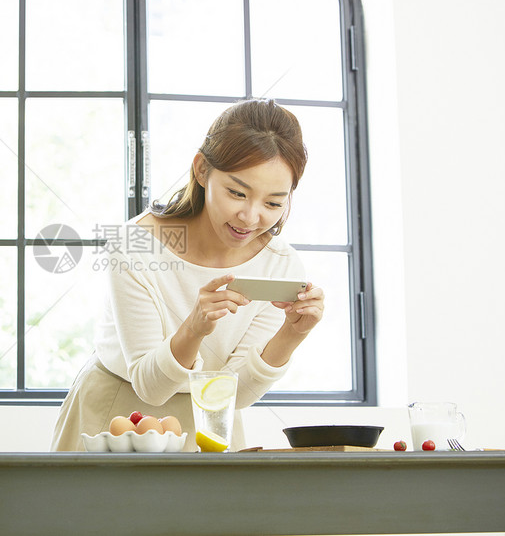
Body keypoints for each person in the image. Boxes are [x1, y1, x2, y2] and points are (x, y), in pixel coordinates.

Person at [50, 99, 325, 452]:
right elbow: (151, 387)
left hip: (212, 421)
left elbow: (237, 393)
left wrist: (291, 334)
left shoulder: (280, 264)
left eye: (273, 203)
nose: (250, 216)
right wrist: (194, 328)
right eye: (237, 193)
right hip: (116, 414)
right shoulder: (136, 245)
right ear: (201, 169)